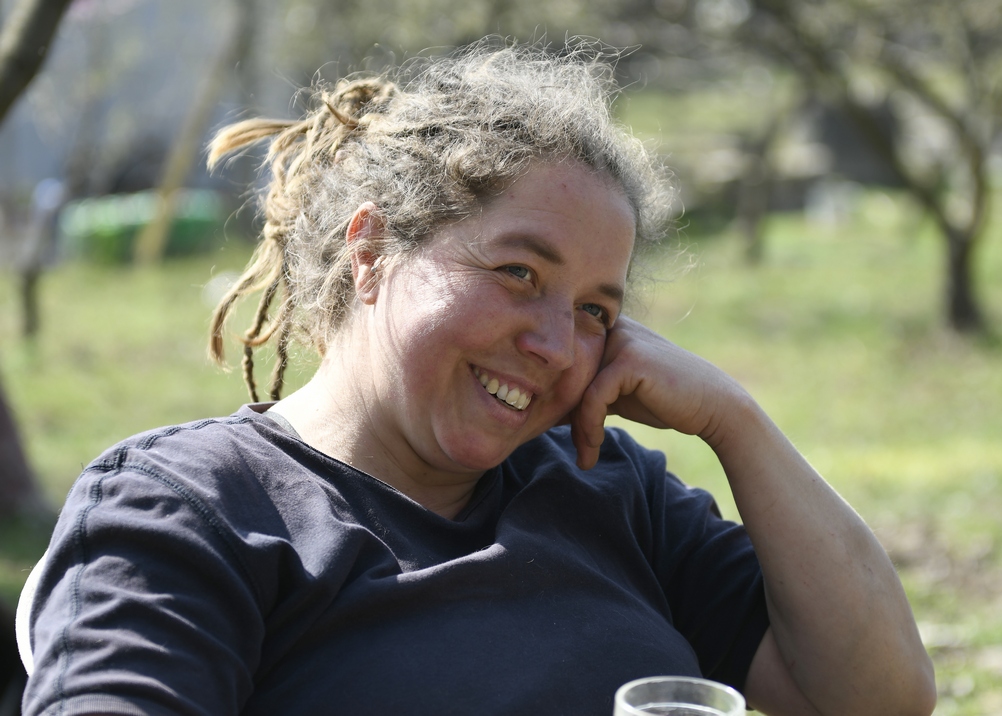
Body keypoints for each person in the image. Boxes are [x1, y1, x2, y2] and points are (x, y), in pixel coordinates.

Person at [19, 40, 936, 715]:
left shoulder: (607, 489)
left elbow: (879, 698)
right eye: (519, 273)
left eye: (596, 311)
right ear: (371, 252)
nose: (556, 345)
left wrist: (736, 422)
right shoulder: (190, 510)